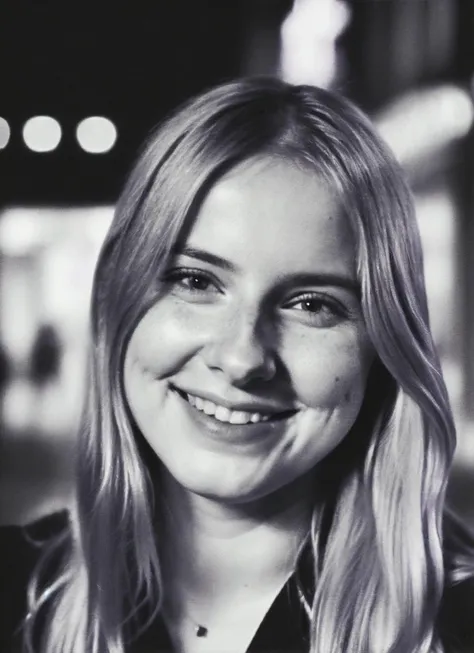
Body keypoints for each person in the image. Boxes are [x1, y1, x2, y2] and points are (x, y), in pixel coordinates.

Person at [20, 77, 474, 653]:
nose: (241, 359)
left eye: (312, 304)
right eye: (195, 281)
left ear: (384, 345)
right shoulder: (17, 589)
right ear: (120, 299)